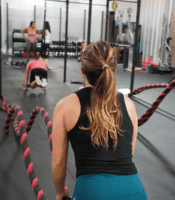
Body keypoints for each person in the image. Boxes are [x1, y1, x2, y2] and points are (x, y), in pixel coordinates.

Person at [52, 41, 147, 200]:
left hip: (92, 192)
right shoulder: (129, 106)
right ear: (113, 69)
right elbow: (127, 153)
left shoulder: (65, 106)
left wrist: (60, 192)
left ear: (83, 70)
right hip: (135, 191)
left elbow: (58, 162)